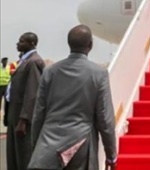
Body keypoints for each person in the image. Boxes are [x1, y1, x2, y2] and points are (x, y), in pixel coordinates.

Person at [29, 25, 117, 170]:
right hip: (81, 146)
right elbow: (105, 119)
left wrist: (37, 148)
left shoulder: (50, 72)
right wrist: (111, 155)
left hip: (48, 145)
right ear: (90, 45)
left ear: (69, 44)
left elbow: (38, 114)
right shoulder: (98, 74)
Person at [6, 32, 46, 170]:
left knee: (24, 158)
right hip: (14, 116)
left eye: (22, 41)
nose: (18, 43)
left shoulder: (33, 62)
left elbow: (32, 92)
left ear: (32, 44)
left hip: (22, 120)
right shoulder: (23, 61)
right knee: (13, 158)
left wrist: (24, 120)